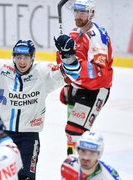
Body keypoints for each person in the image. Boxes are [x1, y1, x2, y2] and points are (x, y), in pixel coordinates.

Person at [0, 32, 81, 179]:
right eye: (18, 57)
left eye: (26, 57)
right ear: (13, 57)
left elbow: (72, 74)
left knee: (26, 177)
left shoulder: (42, 73)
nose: (22, 61)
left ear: (32, 57)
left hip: (29, 137)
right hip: (1, 135)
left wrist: (68, 56)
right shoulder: (0, 70)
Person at [55, 0, 113, 156]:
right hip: (78, 87)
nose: (78, 16)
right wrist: (68, 82)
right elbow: (65, 63)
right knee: (71, 134)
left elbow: (98, 70)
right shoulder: (74, 33)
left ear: (91, 14)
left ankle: (79, 168)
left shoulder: (96, 37)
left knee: (75, 131)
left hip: (95, 90)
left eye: (83, 12)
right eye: (76, 12)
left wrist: (72, 63)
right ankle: (73, 165)